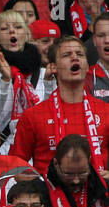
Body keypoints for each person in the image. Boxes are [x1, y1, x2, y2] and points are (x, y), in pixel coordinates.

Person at [10, 37, 109, 177]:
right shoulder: (33, 116)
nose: (75, 58)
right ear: (53, 67)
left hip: (96, 196)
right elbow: (14, 167)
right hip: (51, 196)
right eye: (66, 55)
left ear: (87, 66)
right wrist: (41, 185)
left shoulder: (106, 111)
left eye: (80, 55)